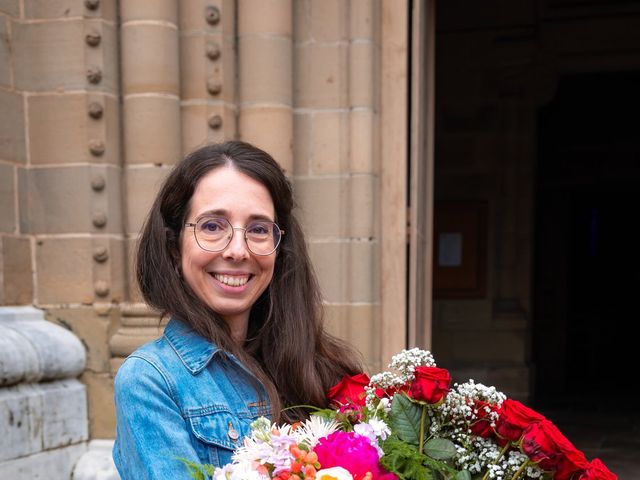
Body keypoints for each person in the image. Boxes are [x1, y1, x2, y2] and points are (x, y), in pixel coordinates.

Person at [112, 141, 362, 478]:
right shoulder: (151, 381)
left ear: (280, 248)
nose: (238, 250)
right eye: (212, 226)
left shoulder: (319, 367)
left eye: (258, 229)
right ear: (173, 247)